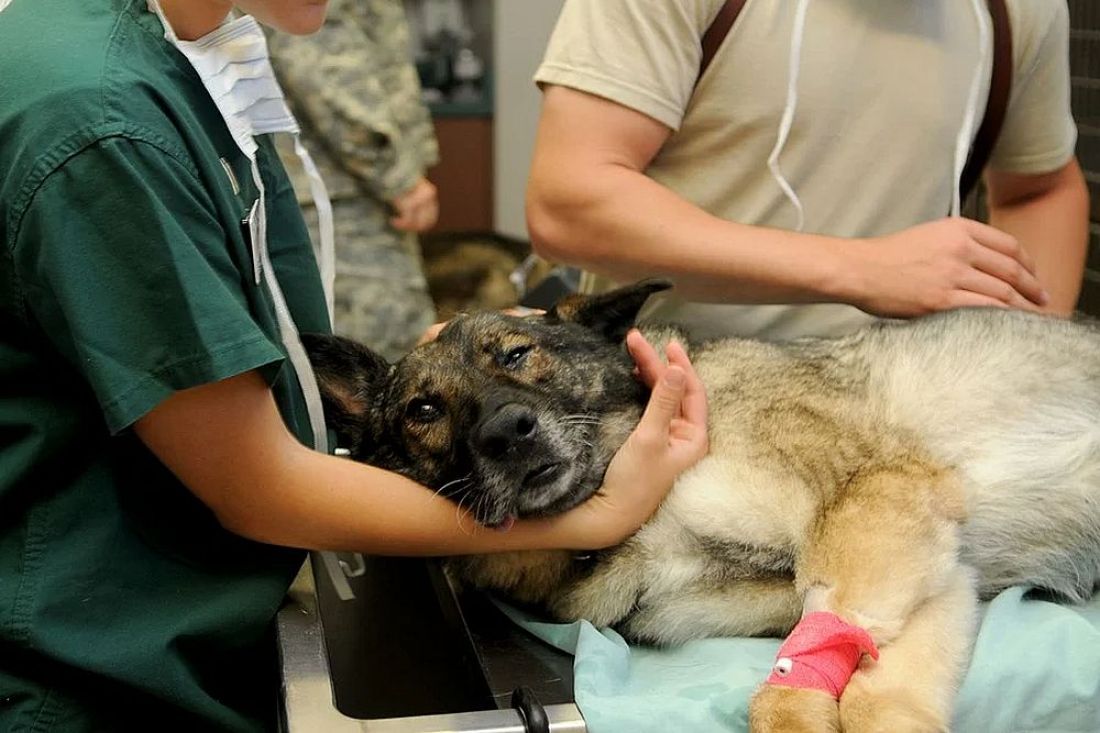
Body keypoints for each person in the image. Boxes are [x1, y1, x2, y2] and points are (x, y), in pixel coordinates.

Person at [0, 1, 708, 731]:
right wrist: (598, 517)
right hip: (91, 677)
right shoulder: (102, 120)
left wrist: (461, 361)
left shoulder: (192, 52)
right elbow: (257, 485)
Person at [527, 0, 1090, 342]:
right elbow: (570, 202)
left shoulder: (1019, 12)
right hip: (674, 396)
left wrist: (1025, 355)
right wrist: (861, 269)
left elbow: (1040, 188)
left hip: (911, 402)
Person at [268, 0, 441, 361]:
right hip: (339, 199)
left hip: (344, 191)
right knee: (378, 361)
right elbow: (323, 67)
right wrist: (399, 178)